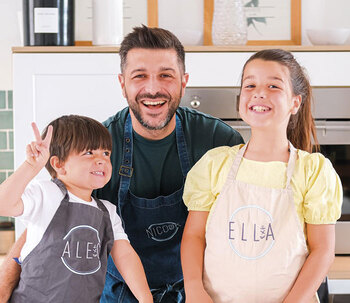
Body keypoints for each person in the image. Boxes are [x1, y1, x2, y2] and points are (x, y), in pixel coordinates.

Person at [0, 26, 243, 302]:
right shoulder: (97, 150)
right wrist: (3, 288)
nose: (153, 89)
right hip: (116, 294)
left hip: (198, 291)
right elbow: (44, 224)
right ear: (122, 82)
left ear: (184, 81)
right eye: (139, 76)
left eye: (166, 75)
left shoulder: (217, 140)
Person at [181, 49, 343, 303]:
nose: (259, 92)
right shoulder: (214, 165)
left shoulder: (312, 171)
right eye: (250, 84)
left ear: (295, 102)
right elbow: (194, 236)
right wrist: (193, 289)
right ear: (240, 100)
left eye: (273, 86)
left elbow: (323, 249)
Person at [0, 116, 152, 303]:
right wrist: (31, 166)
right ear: (59, 164)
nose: (101, 160)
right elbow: (4, 204)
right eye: (89, 153)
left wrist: (146, 298)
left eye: (106, 153)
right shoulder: (45, 194)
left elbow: (126, 256)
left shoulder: (108, 212)